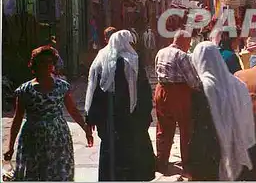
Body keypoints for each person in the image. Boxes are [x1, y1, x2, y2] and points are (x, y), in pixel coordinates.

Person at [3, 45, 93, 181]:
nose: (46, 65)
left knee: (58, 174)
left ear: (53, 65)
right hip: (33, 140)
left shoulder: (62, 87)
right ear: (35, 65)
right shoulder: (24, 90)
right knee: (35, 175)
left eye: (50, 62)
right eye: (42, 62)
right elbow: (17, 119)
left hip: (58, 140)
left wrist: (86, 129)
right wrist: (10, 147)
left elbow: (73, 111)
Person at [84, 30, 155, 181]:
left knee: (111, 155)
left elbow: (94, 89)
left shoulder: (101, 58)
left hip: (109, 118)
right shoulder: (133, 60)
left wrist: (91, 117)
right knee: (131, 156)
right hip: (131, 118)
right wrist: (145, 115)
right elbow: (143, 91)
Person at [189, 41, 256, 180]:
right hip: (245, 150)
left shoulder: (202, 88)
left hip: (212, 156)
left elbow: (198, 128)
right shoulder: (239, 84)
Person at [154, 30, 201, 175]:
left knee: (163, 128)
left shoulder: (161, 52)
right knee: (186, 129)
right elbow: (192, 81)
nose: (189, 46)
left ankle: (162, 162)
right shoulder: (182, 55)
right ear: (184, 41)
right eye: (189, 43)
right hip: (178, 93)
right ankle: (187, 163)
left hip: (161, 90)